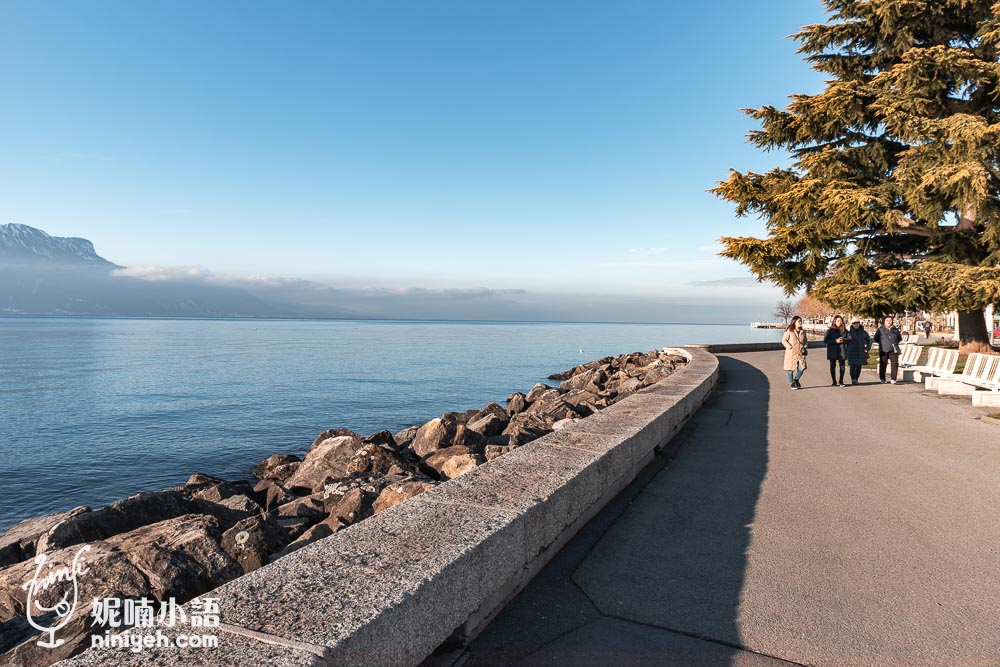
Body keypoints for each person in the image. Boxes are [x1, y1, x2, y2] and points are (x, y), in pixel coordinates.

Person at [873, 315, 903, 384]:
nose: (889, 322)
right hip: (884, 349)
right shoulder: (881, 329)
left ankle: (893, 379)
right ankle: (882, 378)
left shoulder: (895, 330)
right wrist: (882, 343)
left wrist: (894, 343)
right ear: (884, 322)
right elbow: (876, 338)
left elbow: (899, 338)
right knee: (883, 364)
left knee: (894, 364)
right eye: (887, 320)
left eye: (890, 320)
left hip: (894, 349)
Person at [782, 316, 808, 390]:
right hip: (791, 353)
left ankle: (796, 380)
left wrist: (805, 347)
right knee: (790, 369)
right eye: (799, 321)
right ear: (794, 322)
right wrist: (789, 347)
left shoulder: (803, 331)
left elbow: (805, 341)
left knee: (802, 367)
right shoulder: (789, 331)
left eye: (801, 321)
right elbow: (784, 340)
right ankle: (791, 383)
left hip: (800, 353)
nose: (800, 322)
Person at [823, 315, 850, 386]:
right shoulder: (829, 331)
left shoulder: (845, 331)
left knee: (842, 366)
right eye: (838, 321)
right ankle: (834, 381)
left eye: (841, 321)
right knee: (832, 366)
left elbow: (849, 339)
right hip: (832, 350)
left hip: (842, 350)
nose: (840, 322)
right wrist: (835, 341)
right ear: (834, 321)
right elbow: (825, 340)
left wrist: (843, 340)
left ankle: (841, 380)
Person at [846, 317, 872, 385]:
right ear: (852, 324)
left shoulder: (863, 332)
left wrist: (867, 348)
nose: (856, 324)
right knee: (852, 366)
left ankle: (856, 378)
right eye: (854, 323)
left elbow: (869, 340)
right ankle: (853, 379)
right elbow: (845, 341)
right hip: (851, 351)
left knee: (859, 366)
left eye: (857, 323)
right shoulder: (848, 333)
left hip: (860, 351)